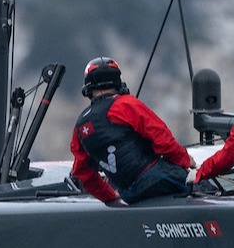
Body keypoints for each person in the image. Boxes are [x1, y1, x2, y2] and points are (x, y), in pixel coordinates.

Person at [69, 55, 196, 204]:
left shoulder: (80, 125)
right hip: (157, 178)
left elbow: (82, 172)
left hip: (128, 193)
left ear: (88, 88)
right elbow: (162, 139)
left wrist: (110, 197)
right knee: (203, 185)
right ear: (117, 81)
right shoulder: (126, 104)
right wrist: (187, 161)